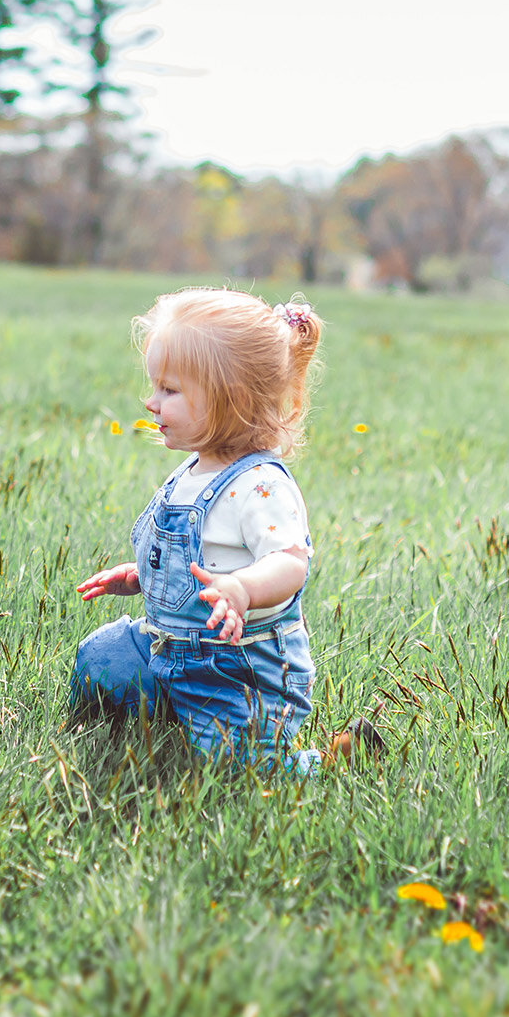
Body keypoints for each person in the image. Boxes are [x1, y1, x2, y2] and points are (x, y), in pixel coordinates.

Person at [70, 287, 328, 768]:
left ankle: (322, 763)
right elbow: (196, 559)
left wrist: (242, 590)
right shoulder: (194, 469)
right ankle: (157, 718)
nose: (151, 402)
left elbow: (290, 563)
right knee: (100, 660)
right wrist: (141, 576)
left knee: (232, 764)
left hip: (234, 668)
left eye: (170, 390)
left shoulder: (259, 486)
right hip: (168, 646)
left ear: (231, 401)